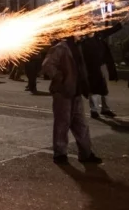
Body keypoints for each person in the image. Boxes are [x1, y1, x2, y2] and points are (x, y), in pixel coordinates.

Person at [42, 35, 102, 165]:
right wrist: (60, 78)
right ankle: (60, 154)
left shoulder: (77, 47)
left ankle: (86, 154)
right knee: (62, 124)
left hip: (76, 92)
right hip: (63, 92)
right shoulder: (61, 48)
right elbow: (47, 65)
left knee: (81, 125)